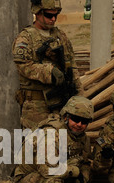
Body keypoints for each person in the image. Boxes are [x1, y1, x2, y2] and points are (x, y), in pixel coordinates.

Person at [13, 96, 93, 183]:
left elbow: (85, 163)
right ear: (66, 117)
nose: (79, 124)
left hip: (51, 170)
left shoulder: (83, 139)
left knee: (76, 171)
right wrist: (74, 172)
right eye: (75, 119)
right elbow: (47, 169)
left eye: (84, 121)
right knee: (52, 182)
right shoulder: (51, 133)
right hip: (27, 176)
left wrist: (82, 180)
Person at [12, 0, 82, 129]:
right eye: (49, 15)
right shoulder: (26, 38)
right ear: (37, 13)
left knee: (61, 142)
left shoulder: (61, 36)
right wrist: (49, 72)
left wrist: (79, 95)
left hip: (62, 101)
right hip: (36, 105)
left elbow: (72, 66)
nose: (53, 19)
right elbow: (23, 66)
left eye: (56, 15)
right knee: (35, 144)